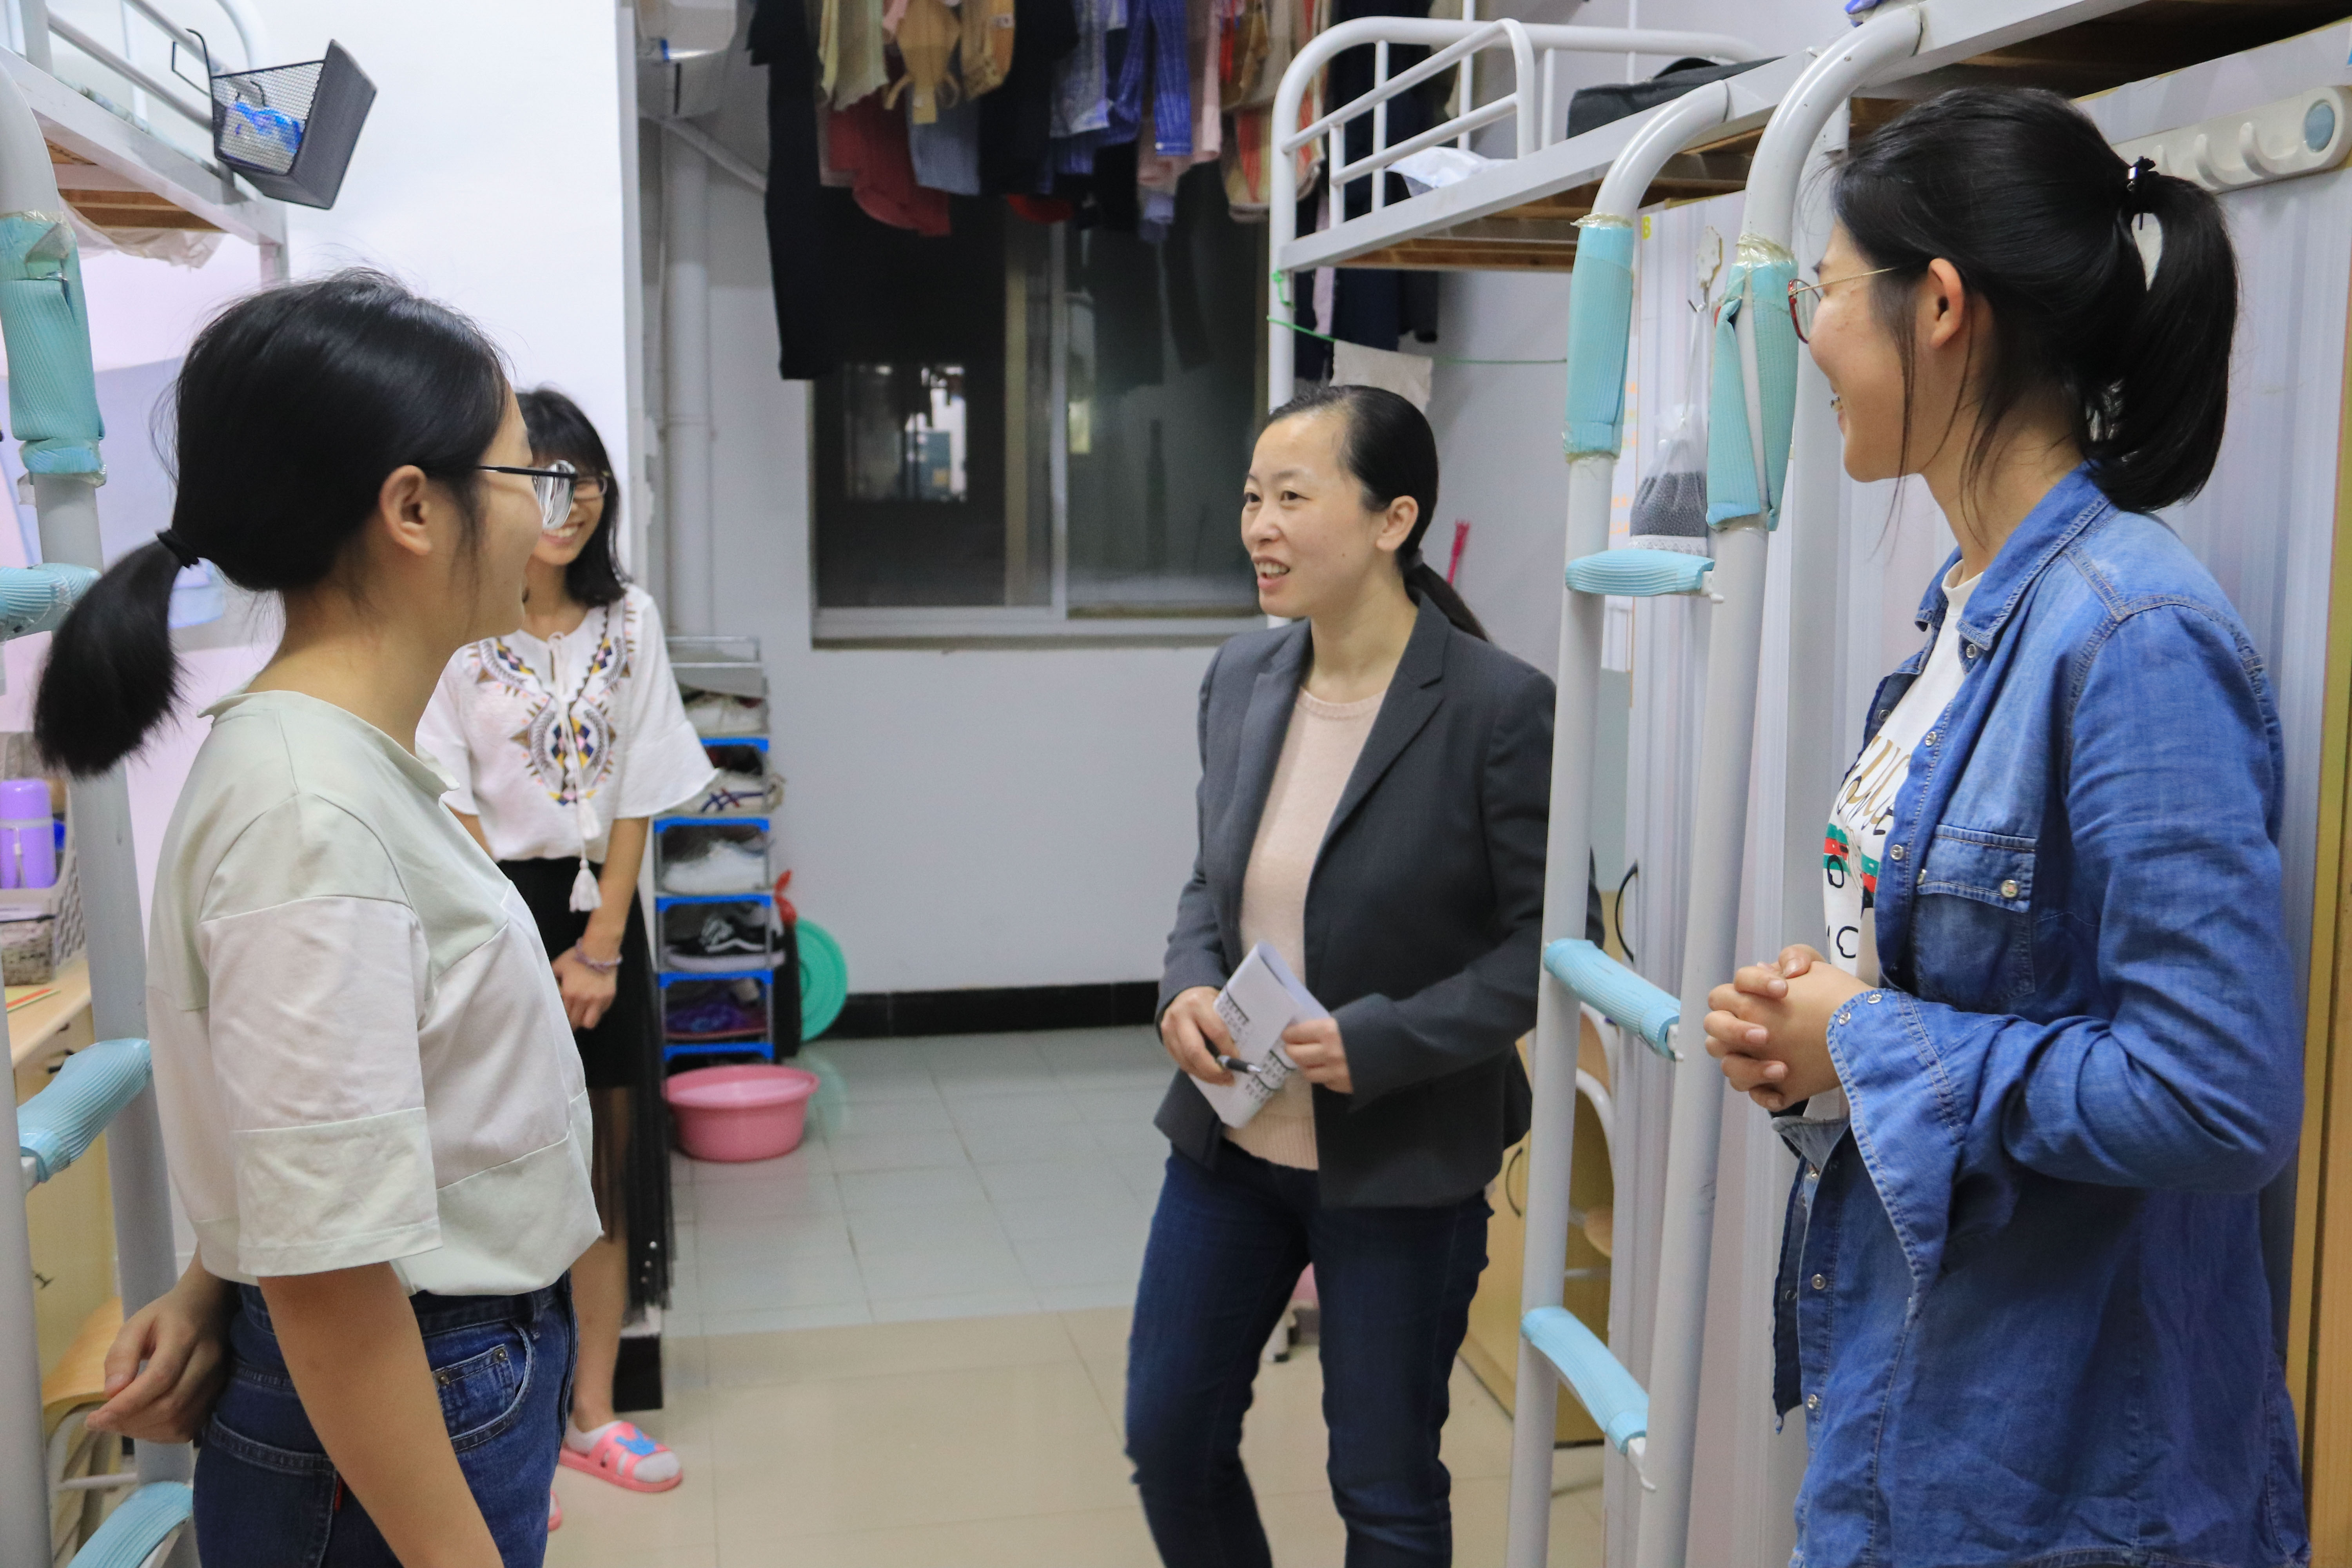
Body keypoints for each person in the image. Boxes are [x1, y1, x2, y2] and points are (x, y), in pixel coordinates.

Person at [1702, 88, 2307, 1566]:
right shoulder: (1969, 613)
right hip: (1934, 1397)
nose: (1812, 341)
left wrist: (1868, 1039)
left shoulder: (2134, 635)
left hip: (2073, 1478)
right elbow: (1996, 993)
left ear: (1941, 307)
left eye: (1826, 295)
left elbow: (2218, 1101)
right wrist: (1826, 1034)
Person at [45, 269, 600, 1566]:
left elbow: (316, 1146)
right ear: (413, 507)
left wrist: (212, 1279)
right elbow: (335, 1278)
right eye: (523, 476)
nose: (542, 514)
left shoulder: (334, 771)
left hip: (439, 1355)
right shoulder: (310, 814)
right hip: (413, 1369)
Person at [1131, 384, 1552, 1566]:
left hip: (1402, 1157)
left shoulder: (1498, 707)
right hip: (1230, 1141)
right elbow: (1210, 881)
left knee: (1385, 1490)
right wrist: (1186, 986)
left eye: (1292, 498)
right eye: (1251, 499)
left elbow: (1540, 951)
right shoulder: (1241, 677)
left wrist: (1381, 1040)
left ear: (1392, 520)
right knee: (1169, 1441)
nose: (1259, 527)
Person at [417, 387, 711, 1494]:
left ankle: (592, 1415)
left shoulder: (630, 621)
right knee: (501, 1171)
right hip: (489, 915)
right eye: (541, 479)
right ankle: (507, 1430)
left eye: (583, 479)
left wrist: (602, 947)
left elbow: (641, 785)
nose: (568, 502)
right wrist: (509, 947)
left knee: (604, 1175)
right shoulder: (453, 629)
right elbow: (444, 792)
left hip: (601, 922)